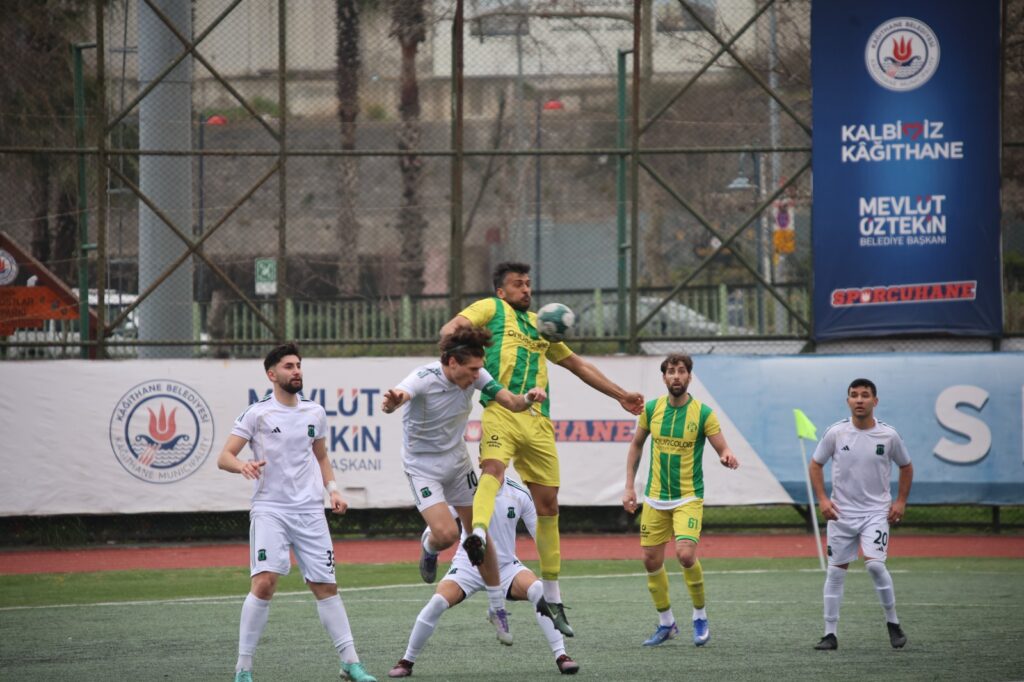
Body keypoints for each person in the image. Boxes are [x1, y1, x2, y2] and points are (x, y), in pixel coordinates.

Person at [441, 261, 644, 637]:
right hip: (501, 410)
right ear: (501, 291)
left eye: (529, 284)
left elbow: (578, 365)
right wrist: (455, 345)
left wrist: (621, 395)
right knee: (492, 470)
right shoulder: (491, 309)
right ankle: (479, 535)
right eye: (518, 284)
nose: (526, 290)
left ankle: (553, 598)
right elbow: (451, 328)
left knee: (548, 505)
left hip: (538, 421)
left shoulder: (542, 324)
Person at [217, 343, 377, 682]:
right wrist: (242, 465)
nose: (297, 371)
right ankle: (243, 669)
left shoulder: (314, 412)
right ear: (272, 374)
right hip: (270, 509)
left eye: (299, 365)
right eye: (289, 366)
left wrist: (333, 491)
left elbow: (321, 457)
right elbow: (225, 456)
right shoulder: (257, 414)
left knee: (325, 586)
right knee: (264, 583)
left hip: (309, 511)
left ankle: (350, 663)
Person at [381, 327, 547, 641]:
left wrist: (528, 398)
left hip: (457, 463)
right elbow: (400, 395)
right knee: (447, 535)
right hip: (422, 467)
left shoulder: (477, 373)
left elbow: (511, 402)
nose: (476, 377)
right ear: (453, 362)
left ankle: (497, 609)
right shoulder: (423, 376)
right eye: (471, 370)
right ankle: (429, 547)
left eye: (478, 370)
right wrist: (392, 402)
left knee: (477, 534)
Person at [387, 477, 580, 678]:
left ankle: (562, 656)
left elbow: (541, 535)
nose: (488, 462)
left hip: (506, 568)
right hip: (467, 566)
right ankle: (406, 661)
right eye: (484, 457)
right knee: (437, 603)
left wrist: (550, 575)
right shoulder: (465, 491)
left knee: (540, 591)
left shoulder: (520, 494)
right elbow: (439, 524)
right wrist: (432, 542)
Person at [622, 353, 739, 647]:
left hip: (688, 496)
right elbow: (636, 446)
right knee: (650, 560)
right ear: (664, 378)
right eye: (671, 371)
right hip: (655, 498)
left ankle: (699, 615)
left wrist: (726, 455)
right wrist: (629, 487)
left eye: (681, 371)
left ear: (689, 377)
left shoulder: (703, 414)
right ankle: (666, 623)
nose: (676, 376)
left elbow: (722, 446)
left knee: (685, 555)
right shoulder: (651, 410)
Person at [809, 378, 913, 651]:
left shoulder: (888, 435)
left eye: (865, 395)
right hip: (840, 514)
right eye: (854, 395)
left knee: (875, 564)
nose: (859, 400)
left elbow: (906, 466)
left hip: (875, 513)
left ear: (874, 401)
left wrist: (900, 501)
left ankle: (893, 623)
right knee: (835, 572)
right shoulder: (836, 433)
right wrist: (822, 499)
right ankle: (829, 634)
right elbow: (815, 464)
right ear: (848, 401)